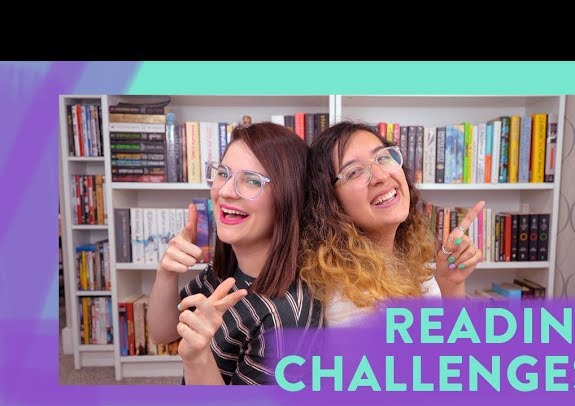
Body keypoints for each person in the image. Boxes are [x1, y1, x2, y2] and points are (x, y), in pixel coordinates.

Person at [148, 122, 322, 384]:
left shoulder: (286, 318)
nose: (226, 191)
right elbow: (161, 333)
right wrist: (166, 273)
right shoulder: (225, 270)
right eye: (223, 173)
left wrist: (197, 358)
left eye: (252, 180)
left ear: (288, 197)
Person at [300, 121, 484, 326]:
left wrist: (451, 284)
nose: (381, 175)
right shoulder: (348, 297)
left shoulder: (405, 260)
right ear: (330, 201)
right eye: (354, 171)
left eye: (383, 158)